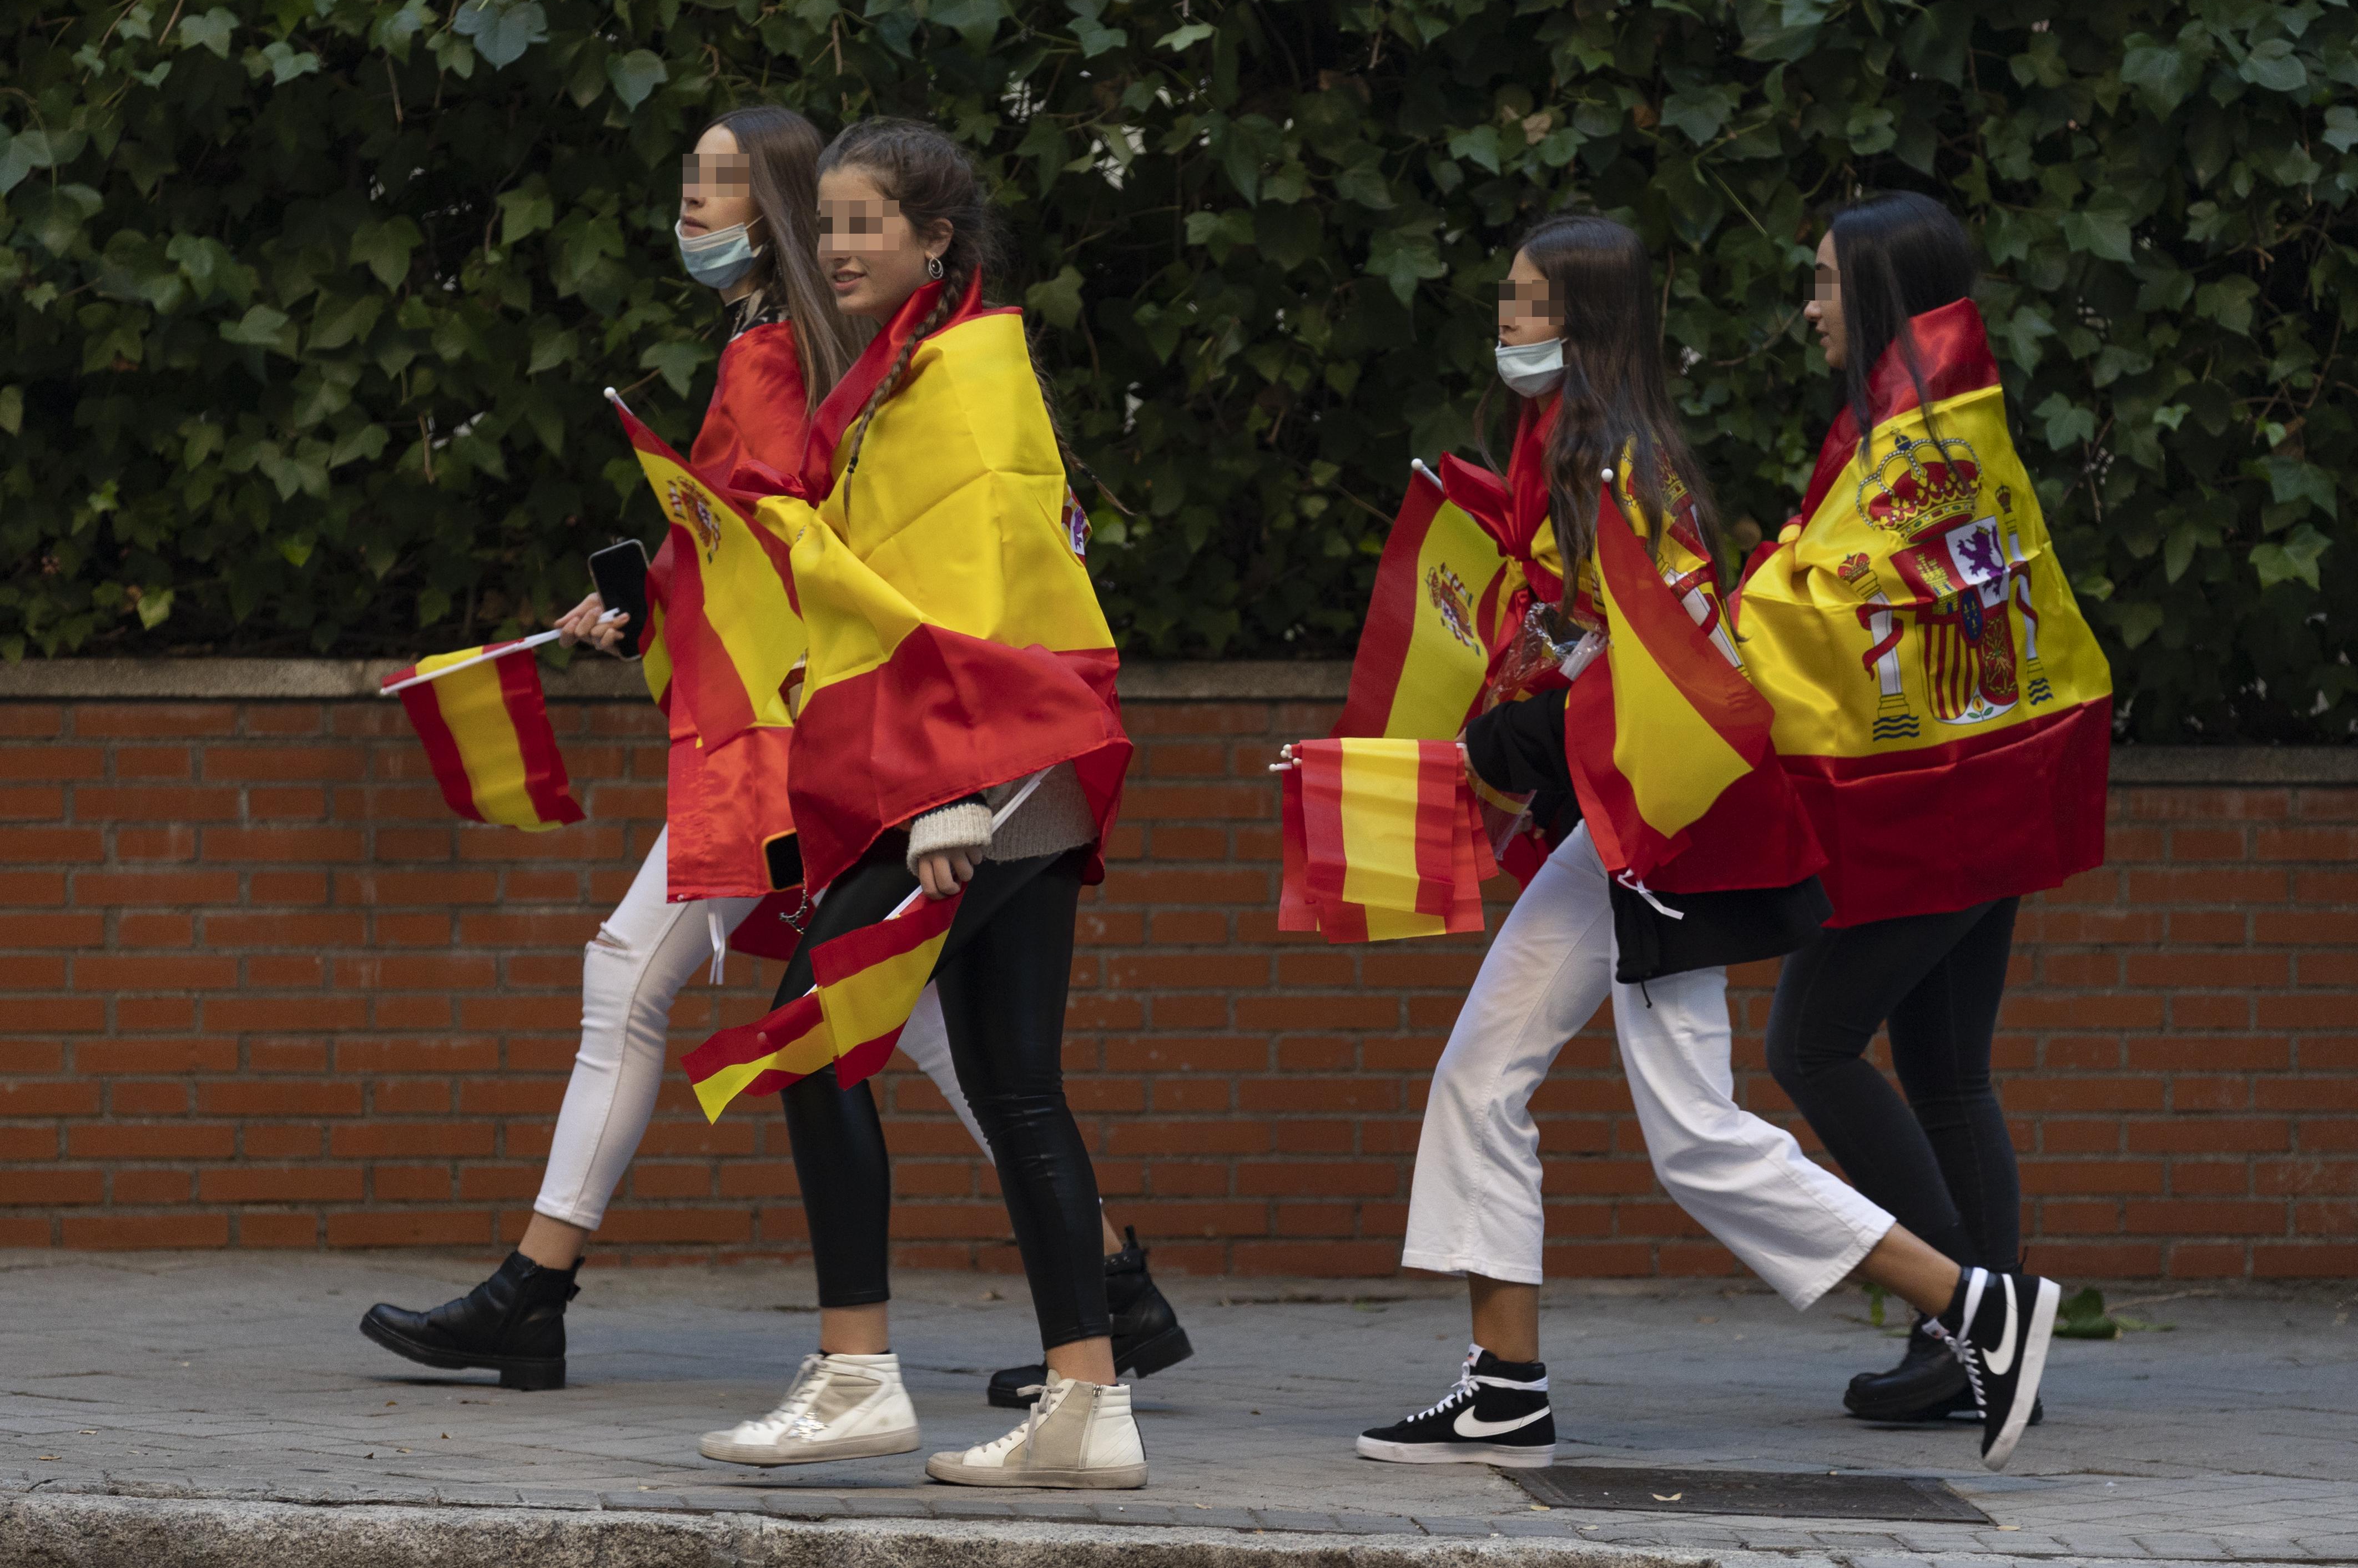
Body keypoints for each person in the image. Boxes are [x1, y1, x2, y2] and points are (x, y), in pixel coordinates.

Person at [357, 107, 1190, 1405]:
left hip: (808, 736)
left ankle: (583, 1300)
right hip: (833, 729)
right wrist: (652, 603)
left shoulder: (806, 357)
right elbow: (755, 552)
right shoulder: (819, 348)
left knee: (690, 986)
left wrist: (937, 768)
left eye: (725, 182)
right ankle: (1106, 1295)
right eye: (688, 175)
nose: (694, 200)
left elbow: (842, 559)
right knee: (909, 1021)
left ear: (793, 209)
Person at [1354, 214, 2062, 1477]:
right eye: (1506, 300)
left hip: (1668, 836)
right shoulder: (1560, 460)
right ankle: (1505, 1382)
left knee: (1695, 1131)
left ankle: (1973, 1304)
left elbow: (1674, 665)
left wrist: (1519, 739)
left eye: (1524, 304)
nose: (1504, 322)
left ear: (1580, 323)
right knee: (1481, 1072)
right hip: (1620, 819)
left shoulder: (1622, 474)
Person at [692, 117, 1148, 1490]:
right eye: (825, 220)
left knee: (821, 1026)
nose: (835, 244)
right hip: (1009, 770)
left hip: (982, 775)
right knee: (1017, 1085)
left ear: (936, 238)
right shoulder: (913, 370)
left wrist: (960, 793)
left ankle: (855, 1373)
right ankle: (1088, 1400)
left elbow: (988, 598)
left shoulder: (961, 372)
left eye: (866, 221)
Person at [1747, 191, 2112, 1424]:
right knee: (1949, 1072)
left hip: (1946, 801)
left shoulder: (1918, 447)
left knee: (1809, 1045)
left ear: (1883, 296)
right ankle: (1979, 1341)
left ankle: (1974, 1317)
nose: (1810, 309)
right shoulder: (1946, 423)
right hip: (1995, 781)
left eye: (1826, 286)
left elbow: (1824, 600)